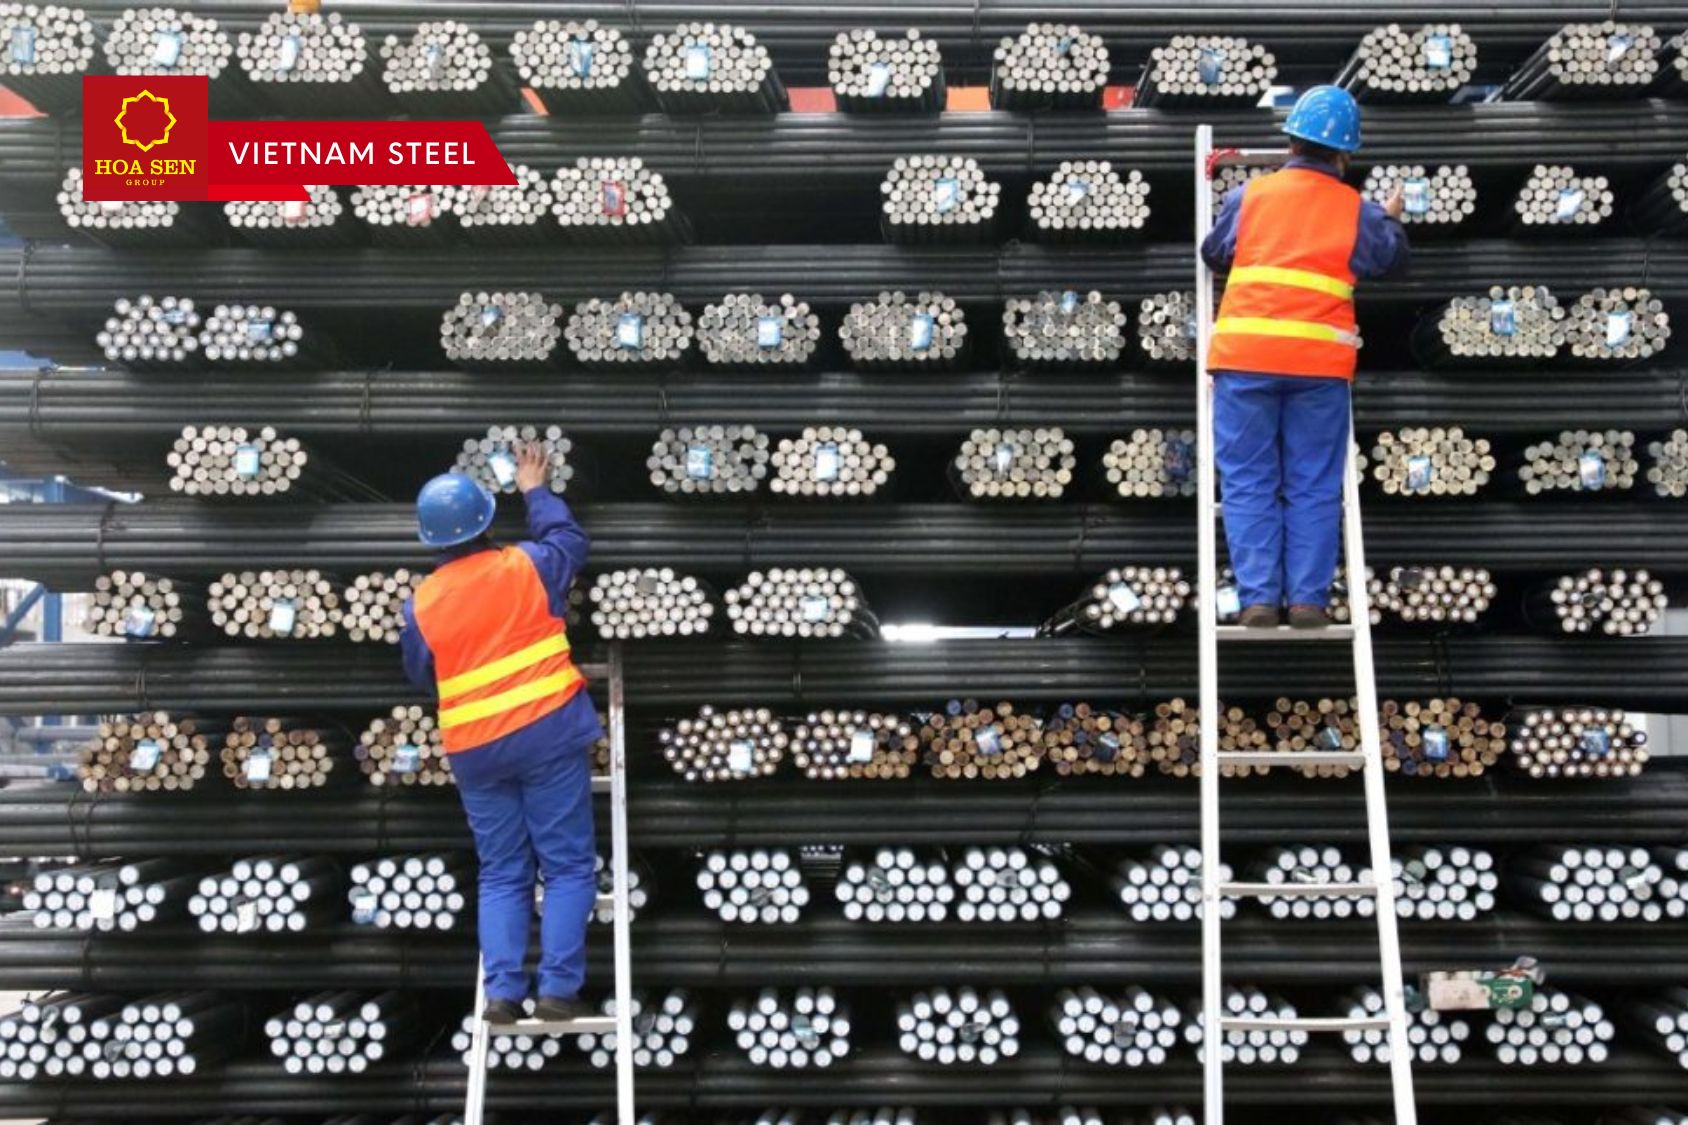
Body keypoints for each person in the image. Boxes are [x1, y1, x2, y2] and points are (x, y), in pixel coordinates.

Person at [400, 442, 601, 1024]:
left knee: (502, 872)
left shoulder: (422, 604)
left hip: (476, 752)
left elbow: (420, 671)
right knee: (566, 865)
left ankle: (503, 994)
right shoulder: (526, 565)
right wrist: (535, 490)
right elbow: (569, 541)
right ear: (486, 520)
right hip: (546, 734)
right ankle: (557, 989)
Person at [1201, 85, 1410, 629]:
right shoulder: (1358, 212)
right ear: (1344, 154)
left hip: (1246, 360)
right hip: (1319, 369)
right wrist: (1390, 219)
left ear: (1291, 141)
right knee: (1313, 484)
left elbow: (1214, 252)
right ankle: (1307, 602)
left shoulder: (1251, 196)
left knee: (1248, 481)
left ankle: (1258, 600)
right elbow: (1390, 260)